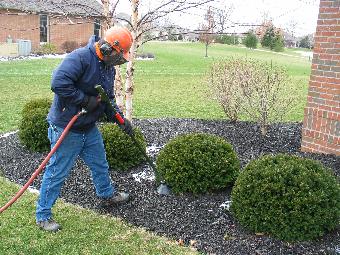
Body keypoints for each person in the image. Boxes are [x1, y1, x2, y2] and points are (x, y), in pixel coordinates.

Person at [36, 26, 134, 232]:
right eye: (119, 54)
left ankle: (107, 196)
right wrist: (84, 100)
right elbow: (58, 83)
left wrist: (121, 120)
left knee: (100, 164)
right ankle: (43, 215)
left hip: (88, 127)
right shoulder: (80, 58)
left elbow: (107, 99)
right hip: (66, 127)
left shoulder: (108, 67)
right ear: (109, 49)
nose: (120, 60)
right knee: (56, 173)